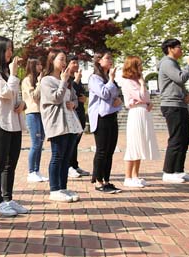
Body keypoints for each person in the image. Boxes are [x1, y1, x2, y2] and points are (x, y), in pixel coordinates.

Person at [0, 36, 28, 217]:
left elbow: (16, 96)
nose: (11, 52)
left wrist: (23, 104)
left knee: (11, 164)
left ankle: (8, 199)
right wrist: (15, 73)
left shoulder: (7, 74)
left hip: (13, 123)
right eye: (8, 49)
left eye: (11, 48)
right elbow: (6, 92)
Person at [39, 50, 84, 202]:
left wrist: (74, 103)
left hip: (70, 123)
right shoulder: (47, 80)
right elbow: (56, 99)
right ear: (52, 61)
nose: (64, 63)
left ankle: (63, 187)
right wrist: (64, 81)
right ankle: (54, 189)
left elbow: (74, 100)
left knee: (66, 158)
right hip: (57, 123)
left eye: (65, 60)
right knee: (57, 156)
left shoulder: (66, 80)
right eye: (61, 59)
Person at [158, 39, 189, 183]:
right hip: (171, 105)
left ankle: (178, 171)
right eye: (178, 47)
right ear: (170, 48)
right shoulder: (167, 62)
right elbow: (180, 77)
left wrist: (185, 93)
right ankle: (168, 172)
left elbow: (176, 83)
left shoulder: (173, 63)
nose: (181, 50)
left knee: (184, 138)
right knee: (176, 138)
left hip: (179, 104)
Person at [121, 55, 160, 187]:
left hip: (143, 112)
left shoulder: (137, 81)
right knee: (133, 144)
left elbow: (146, 98)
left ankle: (135, 175)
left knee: (141, 144)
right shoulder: (128, 82)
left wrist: (146, 101)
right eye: (139, 65)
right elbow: (141, 96)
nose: (141, 67)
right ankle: (127, 177)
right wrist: (143, 86)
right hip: (136, 113)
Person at [88, 52, 123, 194]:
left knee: (110, 151)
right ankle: (98, 181)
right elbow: (104, 93)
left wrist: (119, 99)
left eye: (111, 58)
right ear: (98, 60)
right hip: (100, 117)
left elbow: (116, 95)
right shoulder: (94, 78)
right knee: (101, 150)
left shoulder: (109, 78)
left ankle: (107, 180)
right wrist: (112, 80)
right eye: (107, 58)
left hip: (111, 116)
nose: (110, 61)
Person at [21, 58, 48, 183]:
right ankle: (31, 171)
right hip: (32, 113)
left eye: (40, 64)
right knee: (35, 143)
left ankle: (37, 170)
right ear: (32, 66)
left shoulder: (39, 80)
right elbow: (35, 97)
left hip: (42, 113)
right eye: (37, 64)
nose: (40, 66)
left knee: (40, 143)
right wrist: (39, 83)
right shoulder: (27, 81)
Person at [68, 56, 91, 178]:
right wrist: (76, 81)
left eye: (77, 63)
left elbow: (81, 93)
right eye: (73, 63)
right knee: (71, 141)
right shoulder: (66, 78)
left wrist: (84, 98)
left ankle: (75, 165)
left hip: (81, 111)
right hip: (72, 113)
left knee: (76, 142)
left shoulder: (78, 78)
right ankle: (68, 166)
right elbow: (69, 92)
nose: (76, 65)